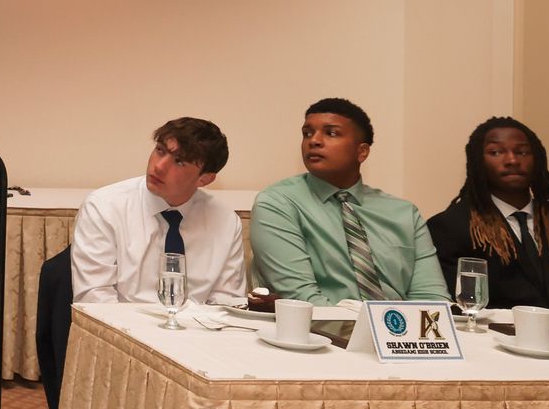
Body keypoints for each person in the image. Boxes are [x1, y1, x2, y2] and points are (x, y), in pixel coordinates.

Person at [250, 97, 448, 303]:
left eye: (331, 133)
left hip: (398, 330)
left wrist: (398, 333)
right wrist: (364, 333)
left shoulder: (404, 213)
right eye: (307, 133)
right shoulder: (278, 204)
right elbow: (302, 300)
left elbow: (431, 300)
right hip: (320, 332)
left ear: (362, 151)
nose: (314, 141)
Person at [427, 116, 549, 311]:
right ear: (477, 161)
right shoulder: (451, 227)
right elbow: (458, 306)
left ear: (537, 159)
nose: (512, 160)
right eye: (496, 152)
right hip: (488, 339)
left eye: (522, 152)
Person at [70, 118, 248, 306]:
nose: (159, 166)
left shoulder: (225, 221)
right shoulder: (104, 207)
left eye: (179, 161)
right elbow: (95, 301)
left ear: (204, 179)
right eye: (160, 150)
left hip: (196, 332)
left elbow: (228, 304)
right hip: (124, 329)